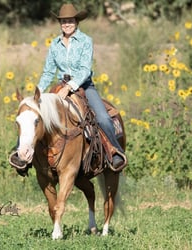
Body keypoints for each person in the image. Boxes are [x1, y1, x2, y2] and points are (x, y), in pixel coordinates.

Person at [37, 3, 126, 170]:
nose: (67, 24)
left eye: (70, 20)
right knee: (34, 116)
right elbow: (48, 72)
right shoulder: (54, 44)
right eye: (63, 21)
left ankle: (115, 152)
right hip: (59, 87)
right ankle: (23, 155)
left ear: (77, 22)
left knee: (103, 117)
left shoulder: (86, 41)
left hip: (83, 86)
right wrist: (38, 93)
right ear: (60, 23)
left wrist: (69, 86)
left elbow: (85, 69)